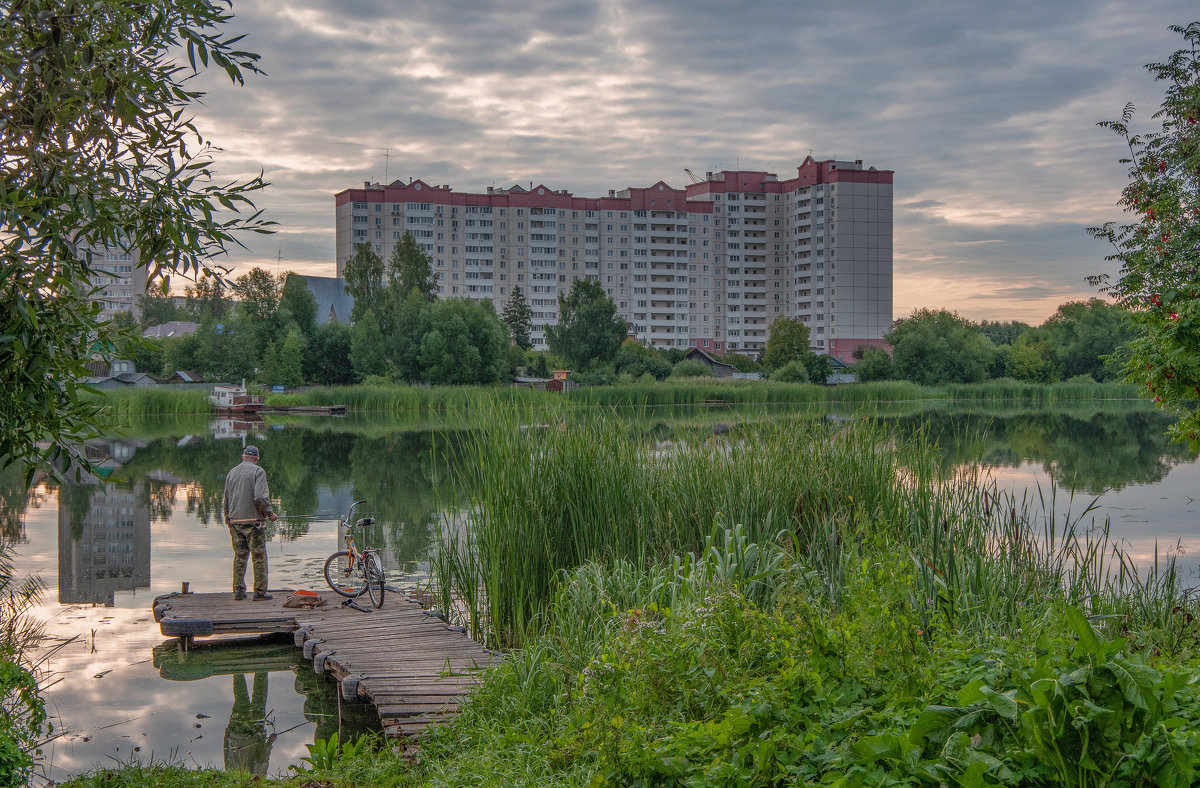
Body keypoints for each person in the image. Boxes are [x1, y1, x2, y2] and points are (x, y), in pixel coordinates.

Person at [223, 445, 277, 600]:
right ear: (257, 458)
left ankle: (238, 591)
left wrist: (228, 521)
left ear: (243, 457)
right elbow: (260, 497)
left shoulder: (231, 473)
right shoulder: (258, 471)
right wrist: (269, 513)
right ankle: (260, 592)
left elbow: (226, 500)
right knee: (259, 557)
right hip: (254, 523)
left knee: (240, 556)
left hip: (235, 522)